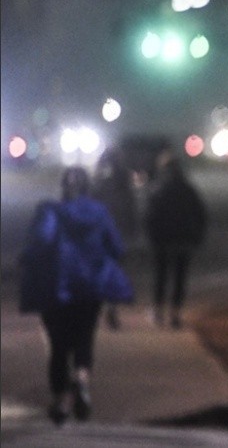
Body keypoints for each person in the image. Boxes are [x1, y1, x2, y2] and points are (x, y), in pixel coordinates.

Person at [18, 166, 134, 426]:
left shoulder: (50, 211)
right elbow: (115, 246)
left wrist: (26, 260)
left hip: (58, 286)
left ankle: (61, 400)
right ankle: (81, 379)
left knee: (58, 346)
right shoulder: (100, 213)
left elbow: (41, 241)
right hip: (91, 287)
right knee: (84, 337)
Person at [144, 152, 207, 330]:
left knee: (161, 276)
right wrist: (196, 237)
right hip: (183, 240)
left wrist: (152, 237)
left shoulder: (158, 190)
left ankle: (158, 311)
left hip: (162, 241)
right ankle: (175, 313)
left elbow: (150, 217)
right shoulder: (188, 190)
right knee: (180, 277)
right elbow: (200, 215)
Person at [92, 148, 139, 331]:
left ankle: (99, 308)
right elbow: (130, 210)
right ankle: (111, 308)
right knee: (114, 272)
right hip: (117, 235)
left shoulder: (99, 184)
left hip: (101, 236)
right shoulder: (124, 184)